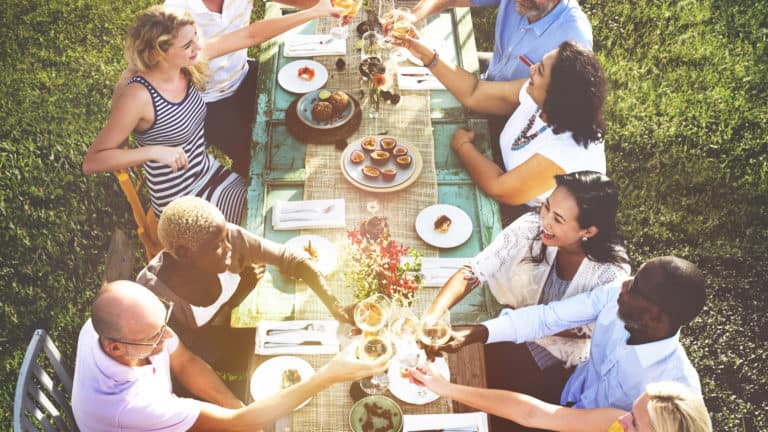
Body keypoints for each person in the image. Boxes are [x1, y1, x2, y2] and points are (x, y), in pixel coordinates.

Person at [83, 4, 340, 222]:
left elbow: (250, 35)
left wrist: (317, 10)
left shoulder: (187, 63)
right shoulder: (139, 96)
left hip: (211, 174)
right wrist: (152, 151)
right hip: (181, 202)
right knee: (272, 214)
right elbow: (93, 161)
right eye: (187, 44)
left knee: (280, 195)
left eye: (196, 37)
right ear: (156, 53)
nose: (198, 47)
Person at [423, 171, 629, 424]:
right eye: (547, 207)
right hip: (507, 327)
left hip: (555, 358)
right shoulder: (532, 226)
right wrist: (432, 316)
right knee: (455, 373)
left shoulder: (611, 274)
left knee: (487, 406)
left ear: (588, 230)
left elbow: (581, 329)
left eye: (558, 219)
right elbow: (475, 270)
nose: (545, 221)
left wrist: (506, 329)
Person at [434, 256, 706, 431]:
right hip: (568, 403)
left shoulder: (673, 396)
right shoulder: (616, 419)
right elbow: (548, 319)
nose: (624, 284)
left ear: (654, 316)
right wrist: (477, 333)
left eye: (635, 288)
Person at [71, 281, 388, 431]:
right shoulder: (134, 406)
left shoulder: (114, 328)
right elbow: (236, 424)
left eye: (164, 321)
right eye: (154, 337)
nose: (165, 337)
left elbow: (186, 362)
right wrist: (328, 375)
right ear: (115, 348)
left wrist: (236, 406)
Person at [393, 38, 607, 220]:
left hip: (534, 220)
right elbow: (475, 92)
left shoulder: (565, 151)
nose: (531, 69)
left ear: (558, 95)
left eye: (540, 71)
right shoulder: (540, 97)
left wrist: (462, 145)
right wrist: (427, 56)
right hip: (500, 174)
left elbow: (499, 189)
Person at [136, 195, 352, 370]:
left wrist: (335, 306)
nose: (229, 246)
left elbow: (290, 258)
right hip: (215, 357)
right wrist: (239, 294)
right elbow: (192, 355)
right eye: (218, 245)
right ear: (184, 254)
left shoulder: (227, 236)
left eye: (225, 236)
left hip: (236, 332)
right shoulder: (155, 296)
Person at [160, 0, 322, 176]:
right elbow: (251, 36)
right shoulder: (176, 10)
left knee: (303, 115)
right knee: (259, 161)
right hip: (206, 101)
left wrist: (326, 4)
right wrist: (314, 12)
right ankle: (248, 187)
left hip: (242, 74)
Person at [407, 370, 713, 432]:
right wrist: (447, 388)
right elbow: (534, 413)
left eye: (634, 423)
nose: (621, 420)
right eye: (631, 411)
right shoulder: (615, 424)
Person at [402, 0, 592, 82]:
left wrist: (431, 58)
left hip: (513, 117)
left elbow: (478, 95)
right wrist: (412, 17)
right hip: (490, 77)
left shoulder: (574, 37)